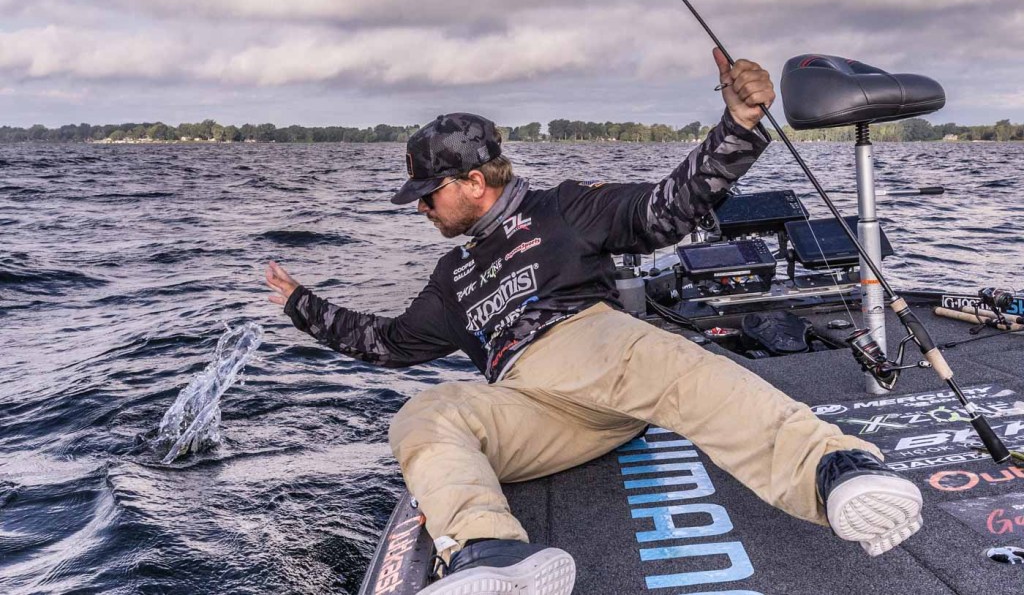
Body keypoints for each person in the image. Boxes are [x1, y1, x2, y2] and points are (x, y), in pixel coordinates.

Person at [265, 49, 923, 595]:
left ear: (472, 182)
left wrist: (737, 125)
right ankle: (490, 553)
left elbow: (665, 210)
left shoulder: (562, 208)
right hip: (532, 405)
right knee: (423, 413)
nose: (421, 209)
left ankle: (834, 470)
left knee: (670, 363)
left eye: (428, 194)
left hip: (597, 351)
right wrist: (302, 304)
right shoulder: (451, 278)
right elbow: (388, 343)